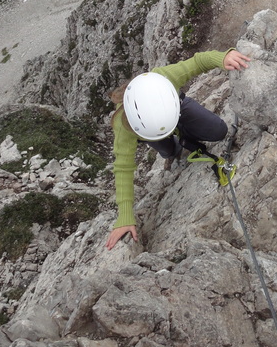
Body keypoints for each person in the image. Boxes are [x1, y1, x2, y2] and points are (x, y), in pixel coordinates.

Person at [106, 48, 250, 250]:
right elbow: (123, 168)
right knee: (168, 150)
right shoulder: (125, 125)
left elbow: (199, 61)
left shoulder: (163, 79)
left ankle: (182, 138)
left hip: (178, 108)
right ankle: (173, 150)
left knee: (218, 131)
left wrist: (223, 58)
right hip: (150, 127)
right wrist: (125, 216)